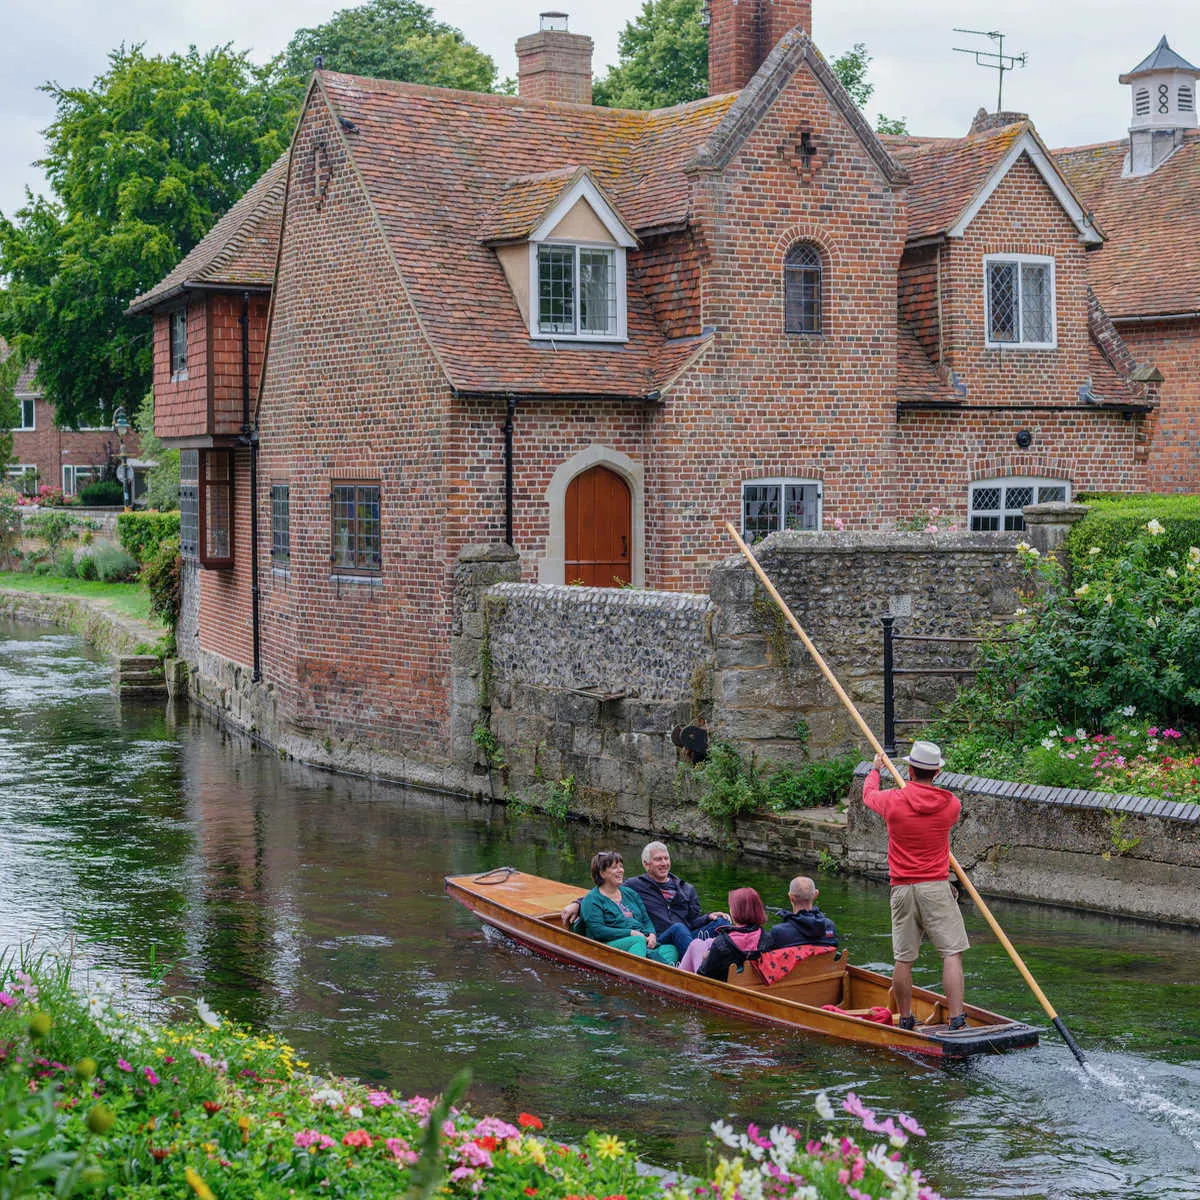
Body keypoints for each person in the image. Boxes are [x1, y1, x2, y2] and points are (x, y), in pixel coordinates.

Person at [863, 741, 969, 1031]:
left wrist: (875, 769)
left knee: (904, 958)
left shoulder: (892, 801)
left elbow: (868, 795)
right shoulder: (951, 805)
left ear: (909, 769)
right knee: (951, 953)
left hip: (902, 889)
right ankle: (957, 1019)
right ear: (936, 773)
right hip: (936, 886)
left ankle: (906, 1018)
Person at [563, 841, 727, 960]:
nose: (664, 863)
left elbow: (692, 920)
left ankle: (720, 961)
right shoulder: (636, 885)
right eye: (658, 859)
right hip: (660, 935)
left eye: (666, 859)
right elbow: (605, 892)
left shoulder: (686, 889)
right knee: (677, 929)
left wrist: (708, 917)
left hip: (681, 935)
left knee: (720, 922)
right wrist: (577, 903)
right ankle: (698, 966)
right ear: (646, 864)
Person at [576, 850, 678, 964]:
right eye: (615, 867)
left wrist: (652, 935)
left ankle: (654, 969)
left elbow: (646, 919)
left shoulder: (630, 893)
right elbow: (598, 931)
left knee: (671, 948)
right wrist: (630, 933)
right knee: (638, 941)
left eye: (621, 866)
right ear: (602, 873)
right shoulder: (592, 899)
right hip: (607, 945)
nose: (620, 870)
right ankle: (644, 971)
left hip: (640, 939)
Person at [685, 887, 767, 979]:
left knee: (695, 945)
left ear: (736, 912)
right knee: (705, 943)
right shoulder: (765, 937)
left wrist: (705, 958)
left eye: (732, 908)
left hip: (716, 986)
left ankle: (677, 977)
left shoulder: (722, 943)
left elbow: (703, 974)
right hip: (746, 981)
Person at [760, 876, 838, 951]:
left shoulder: (777, 932)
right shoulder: (829, 926)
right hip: (823, 965)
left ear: (790, 897)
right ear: (816, 894)